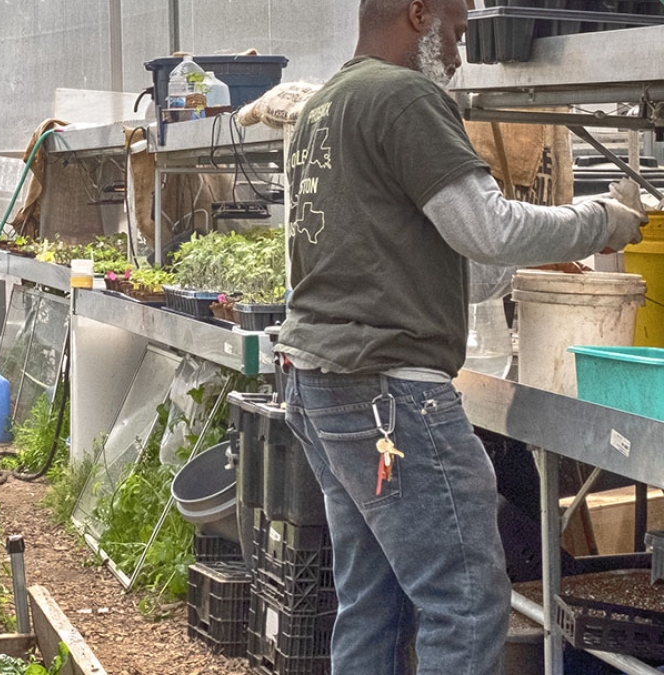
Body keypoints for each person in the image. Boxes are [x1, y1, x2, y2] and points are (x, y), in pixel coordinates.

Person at [274, 0, 649, 673]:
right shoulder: (405, 97)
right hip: (390, 394)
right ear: (419, 13)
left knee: (373, 601)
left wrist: (530, 262)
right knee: (466, 602)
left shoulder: (324, 107)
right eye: (457, 30)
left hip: (320, 383)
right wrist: (597, 221)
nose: (457, 53)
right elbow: (489, 228)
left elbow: (454, 264)